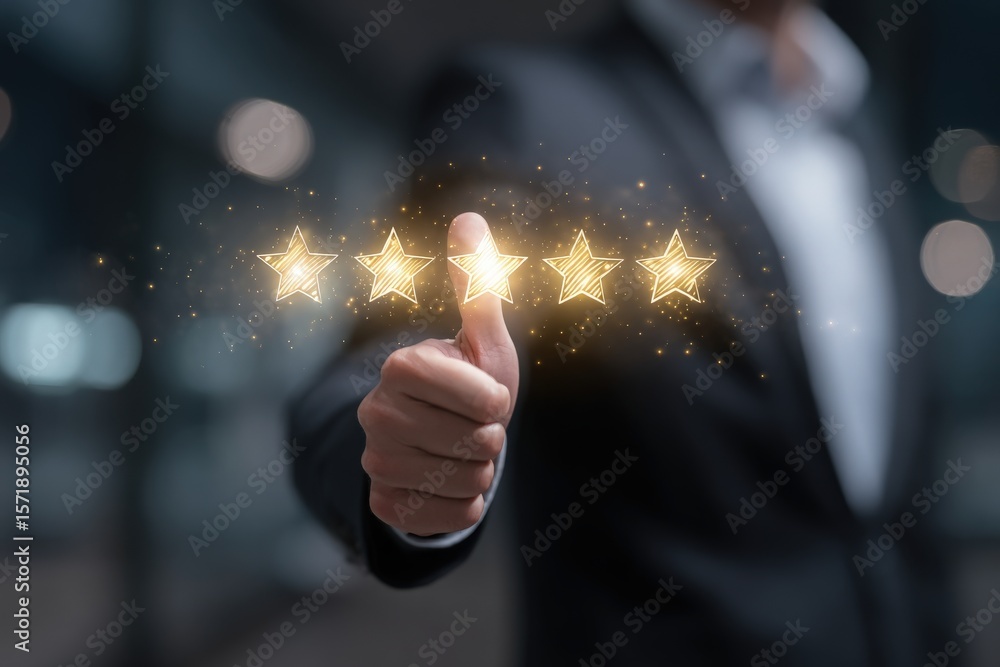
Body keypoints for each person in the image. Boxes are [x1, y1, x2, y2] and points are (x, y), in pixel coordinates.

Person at [293, 0, 956, 663]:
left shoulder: (860, 122)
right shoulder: (523, 106)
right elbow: (386, 354)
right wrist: (406, 439)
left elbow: (893, 508)